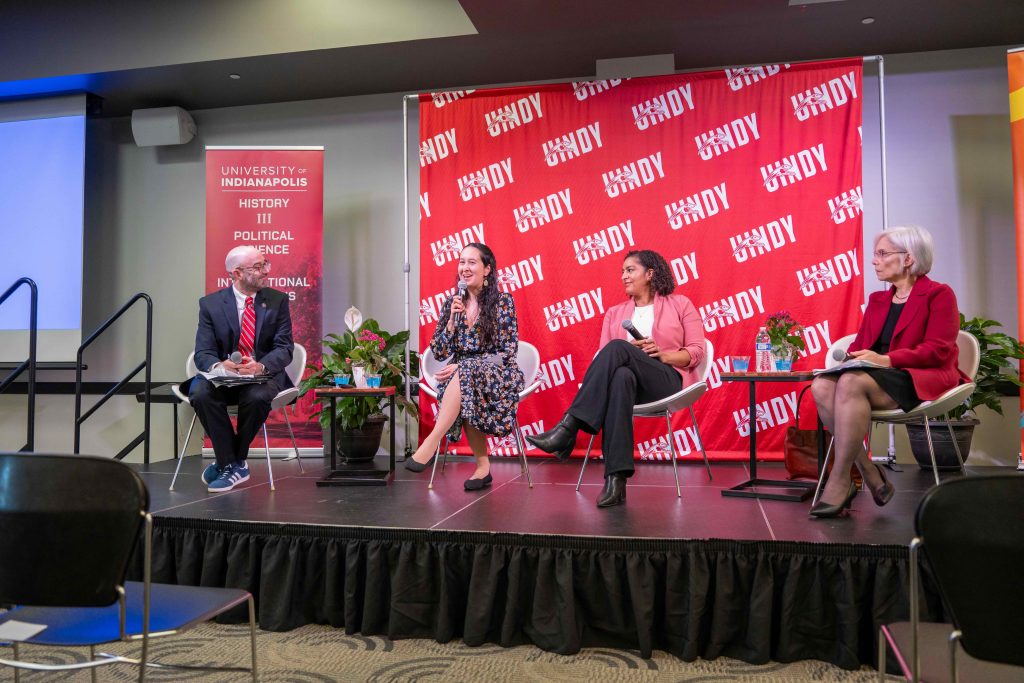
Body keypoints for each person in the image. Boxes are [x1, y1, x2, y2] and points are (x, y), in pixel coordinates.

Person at [527, 250, 706, 508]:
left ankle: (568, 428)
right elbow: (604, 357)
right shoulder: (615, 313)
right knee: (621, 376)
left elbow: (697, 352)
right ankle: (615, 480)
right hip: (631, 386)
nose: (624, 276)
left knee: (618, 348)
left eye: (630, 270)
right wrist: (630, 351)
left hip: (666, 381)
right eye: (622, 271)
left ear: (650, 274)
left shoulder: (680, 304)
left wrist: (662, 354)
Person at [809, 226, 967, 518]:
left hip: (917, 375)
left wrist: (886, 360)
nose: (874, 260)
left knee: (851, 383)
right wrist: (851, 360)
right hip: (875, 375)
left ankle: (840, 480)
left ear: (908, 258)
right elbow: (860, 345)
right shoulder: (878, 300)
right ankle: (869, 471)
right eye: (875, 254)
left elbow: (938, 350)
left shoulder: (939, 294)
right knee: (821, 385)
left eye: (882, 254)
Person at [405, 243, 525, 490]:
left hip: (498, 374)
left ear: (487, 269)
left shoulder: (503, 302)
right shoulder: (452, 304)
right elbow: (439, 352)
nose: (465, 268)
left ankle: (432, 441)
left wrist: (463, 366)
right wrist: (451, 322)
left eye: (472, 262)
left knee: (467, 374)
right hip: (463, 378)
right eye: (461, 262)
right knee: (467, 381)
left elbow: (507, 352)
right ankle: (483, 467)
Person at [182, 245, 294, 492]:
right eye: (258, 267)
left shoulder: (277, 301)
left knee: (256, 397)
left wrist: (260, 365)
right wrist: (219, 365)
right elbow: (203, 352)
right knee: (199, 392)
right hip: (224, 378)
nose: (266, 271)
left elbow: (285, 348)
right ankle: (233, 464)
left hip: (262, 377)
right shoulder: (210, 304)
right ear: (237, 273)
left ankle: (228, 462)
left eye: (265, 264)